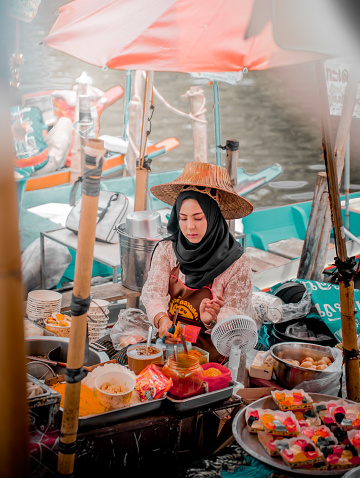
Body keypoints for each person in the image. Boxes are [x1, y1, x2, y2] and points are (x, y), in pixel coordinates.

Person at [141, 161, 254, 363]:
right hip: (170, 350)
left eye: (198, 218)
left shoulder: (237, 264)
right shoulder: (168, 250)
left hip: (212, 359)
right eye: (183, 218)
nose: (189, 227)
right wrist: (162, 321)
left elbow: (236, 331)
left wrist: (212, 321)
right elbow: (153, 294)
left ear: (213, 216)